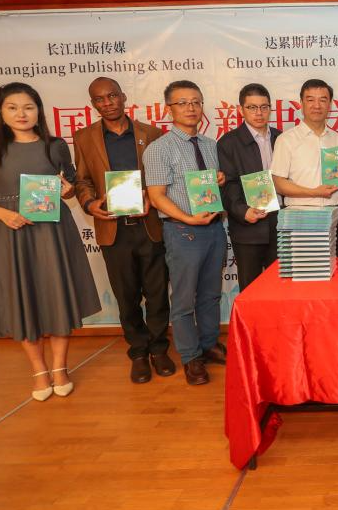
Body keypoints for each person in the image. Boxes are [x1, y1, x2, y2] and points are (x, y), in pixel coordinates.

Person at [0, 82, 101, 400]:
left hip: (53, 231)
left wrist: (68, 191)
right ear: (1, 112)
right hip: (12, 232)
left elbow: (70, 186)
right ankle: (39, 371)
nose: (21, 114)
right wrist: (1, 213)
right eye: (12, 107)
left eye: (28, 107)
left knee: (58, 296)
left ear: (39, 110)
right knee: (22, 299)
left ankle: (60, 368)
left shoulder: (56, 145)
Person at [74, 77, 174, 384]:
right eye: (99, 99)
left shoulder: (151, 134)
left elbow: (164, 175)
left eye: (112, 96)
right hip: (112, 229)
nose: (107, 103)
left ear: (123, 97)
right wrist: (89, 203)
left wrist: (152, 197)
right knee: (126, 296)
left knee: (157, 294)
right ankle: (139, 352)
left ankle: (159, 349)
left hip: (149, 225)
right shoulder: (84, 137)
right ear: (93, 104)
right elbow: (82, 180)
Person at [143, 80, 227, 386]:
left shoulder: (210, 145)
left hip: (214, 229)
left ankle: (208, 344)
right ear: (169, 109)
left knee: (211, 294)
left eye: (196, 102)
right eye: (182, 103)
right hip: (183, 232)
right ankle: (191, 357)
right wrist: (189, 219)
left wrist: (219, 179)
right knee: (183, 300)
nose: (191, 108)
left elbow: (211, 184)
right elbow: (157, 197)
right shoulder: (159, 149)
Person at [270, 78, 338, 257]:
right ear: (301, 103)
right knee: (305, 270)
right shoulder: (286, 139)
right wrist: (315, 192)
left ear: (330, 104)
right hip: (301, 216)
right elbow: (279, 183)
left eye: (323, 100)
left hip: (336, 214)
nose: (317, 105)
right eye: (310, 99)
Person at [217, 83, 281, 290]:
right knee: (250, 290)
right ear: (241, 110)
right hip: (248, 228)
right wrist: (242, 211)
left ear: (270, 108)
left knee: (281, 288)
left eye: (264, 107)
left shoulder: (281, 138)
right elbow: (227, 184)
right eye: (252, 107)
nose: (259, 113)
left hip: (281, 225)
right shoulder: (228, 143)